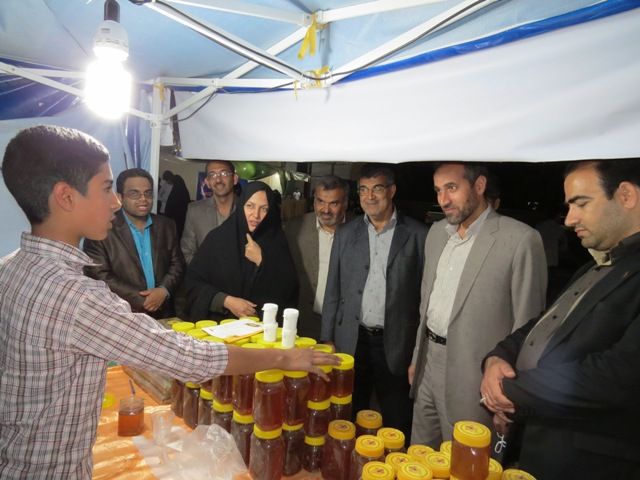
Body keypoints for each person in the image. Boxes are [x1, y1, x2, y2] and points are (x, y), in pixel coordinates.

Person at [0, 125, 339, 478]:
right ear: (66, 197)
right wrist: (286, 357)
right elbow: (188, 357)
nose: (115, 201)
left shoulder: (9, 268)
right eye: (106, 188)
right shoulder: (77, 298)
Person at [480, 159, 640, 478]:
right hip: (540, 443)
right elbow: (542, 325)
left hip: (588, 460)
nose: (569, 219)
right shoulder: (595, 265)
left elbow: (618, 376)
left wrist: (507, 392)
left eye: (581, 203)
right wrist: (497, 358)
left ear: (626, 195)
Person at [409, 162, 547, 449]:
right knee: (421, 455)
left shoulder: (520, 239)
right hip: (427, 364)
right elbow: (426, 304)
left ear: (480, 186)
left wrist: (512, 393)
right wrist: (416, 358)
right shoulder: (436, 233)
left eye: (452, 188)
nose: (443, 199)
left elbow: (529, 326)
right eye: (438, 190)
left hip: (476, 375)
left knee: (466, 460)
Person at [321, 163, 428, 439]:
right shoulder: (346, 233)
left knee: (396, 418)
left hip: (395, 344)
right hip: (351, 340)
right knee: (347, 413)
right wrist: (327, 338)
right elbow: (333, 291)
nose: (369, 196)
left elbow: (424, 298)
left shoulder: (418, 235)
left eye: (377, 188)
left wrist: (418, 352)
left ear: (391, 190)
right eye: (363, 190)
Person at [185, 181, 299, 321]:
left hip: (263, 329)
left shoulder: (277, 242)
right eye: (250, 206)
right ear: (241, 206)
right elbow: (193, 284)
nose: (256, 215)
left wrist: (262, 260)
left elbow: (289, 289)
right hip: (222, 327)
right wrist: (226, 301)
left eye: (264, 209)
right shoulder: (218, 239)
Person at [83, 168, 186, 319]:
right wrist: (143, 299)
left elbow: (177, 263)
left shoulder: (167, 225)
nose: (143, 199)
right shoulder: (100, 229)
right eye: (134, 194)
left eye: (148, 193)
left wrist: (163, 291)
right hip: (122, 315)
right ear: (120, 197)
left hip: (163, 312)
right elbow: (99, 275)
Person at [284, 175, 351, 339]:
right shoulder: (295, 228)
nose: (325, 210)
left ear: (345, 204)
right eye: (321, 201)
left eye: (333, 203)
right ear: (314, 201)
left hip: (346, 325)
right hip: (306, 322)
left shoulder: (360, 229)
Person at [181, 160, 238, 264]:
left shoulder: (249, 209)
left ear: (234, 179)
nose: (218, 180)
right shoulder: (195, 210)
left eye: (224, 173)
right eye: (212, 175)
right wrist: (203, 272)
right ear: (207, 182)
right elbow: (187, 251)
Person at [163, 173, 190, 239]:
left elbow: (170, 206)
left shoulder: (174, 192)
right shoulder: (185, 191)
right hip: (183, 218)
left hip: (173, 219)